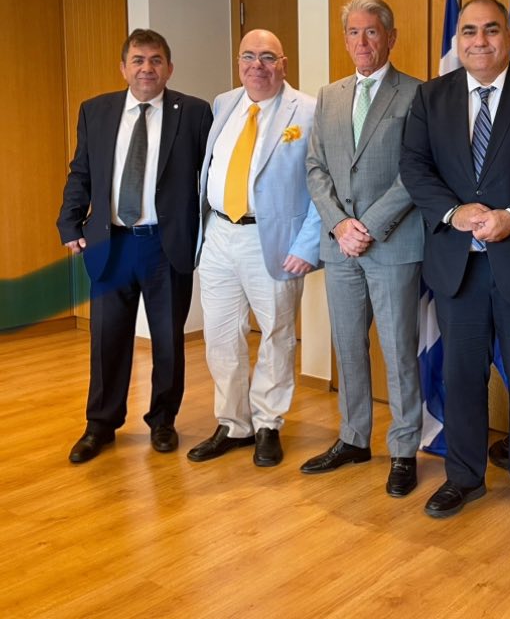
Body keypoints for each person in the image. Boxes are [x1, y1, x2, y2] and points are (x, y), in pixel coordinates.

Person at [400, 0, 510, 535]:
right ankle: (464, 476)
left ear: (509, 36)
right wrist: (453, 212)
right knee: (461, 378)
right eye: (469, 31)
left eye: (492, 29)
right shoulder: (432, 96)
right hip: (458, 268)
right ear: (457, 38)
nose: (480, 41)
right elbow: (414, 166)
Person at [57, 29, 212, 464]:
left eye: (156, 60)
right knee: (107, 339)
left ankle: (163, 421)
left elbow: (210, 177)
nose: (147, 68)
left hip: (166, 245)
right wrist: (69, 221)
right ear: (123, 67)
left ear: (170, 68)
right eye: (139, 60)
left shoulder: (194, 113)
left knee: (168, 340)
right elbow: (81, 172)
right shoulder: (96, 111)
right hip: (112, 243)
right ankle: (100, 425)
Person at [302, 0, 424, 496]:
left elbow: (416, 172)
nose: (362, 42)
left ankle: (404, 449)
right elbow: (315, 167)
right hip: (340, 248)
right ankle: (353, 438)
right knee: (349, 346)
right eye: (353, 32)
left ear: (390, 37)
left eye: (371, 31)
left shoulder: (416, 94)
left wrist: (366, 226)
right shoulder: (329, 96)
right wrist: (338, 225)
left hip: (392, 244)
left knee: (398, 351)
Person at [187, 29, 321, 468]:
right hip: (219, 235)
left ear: (284, 64)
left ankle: (267, 424)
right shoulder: (224, 103)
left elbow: (323, 185)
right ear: (238, 62)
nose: (256, 66)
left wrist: (307, 245)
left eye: (267, 57)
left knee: (277, 336)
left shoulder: (308, 111)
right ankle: (233, 424)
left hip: (274, 241)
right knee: (221, 337)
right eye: (248, 56)